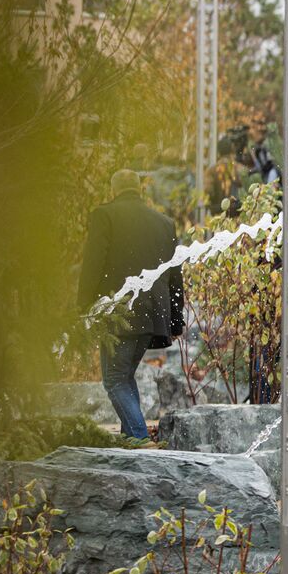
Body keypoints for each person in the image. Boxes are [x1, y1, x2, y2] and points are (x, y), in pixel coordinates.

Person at [78, 170, 184, 440]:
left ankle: (138, 440)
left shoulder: (105, 216)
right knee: (124, 377)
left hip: (120, 314)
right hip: (152, 315)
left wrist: (83, 307)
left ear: (114, 190)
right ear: (140, 190)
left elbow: (93, 265)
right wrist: (175, 319)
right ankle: (131, 441)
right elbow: (175, 274)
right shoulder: (164, 223)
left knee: (114, 380)